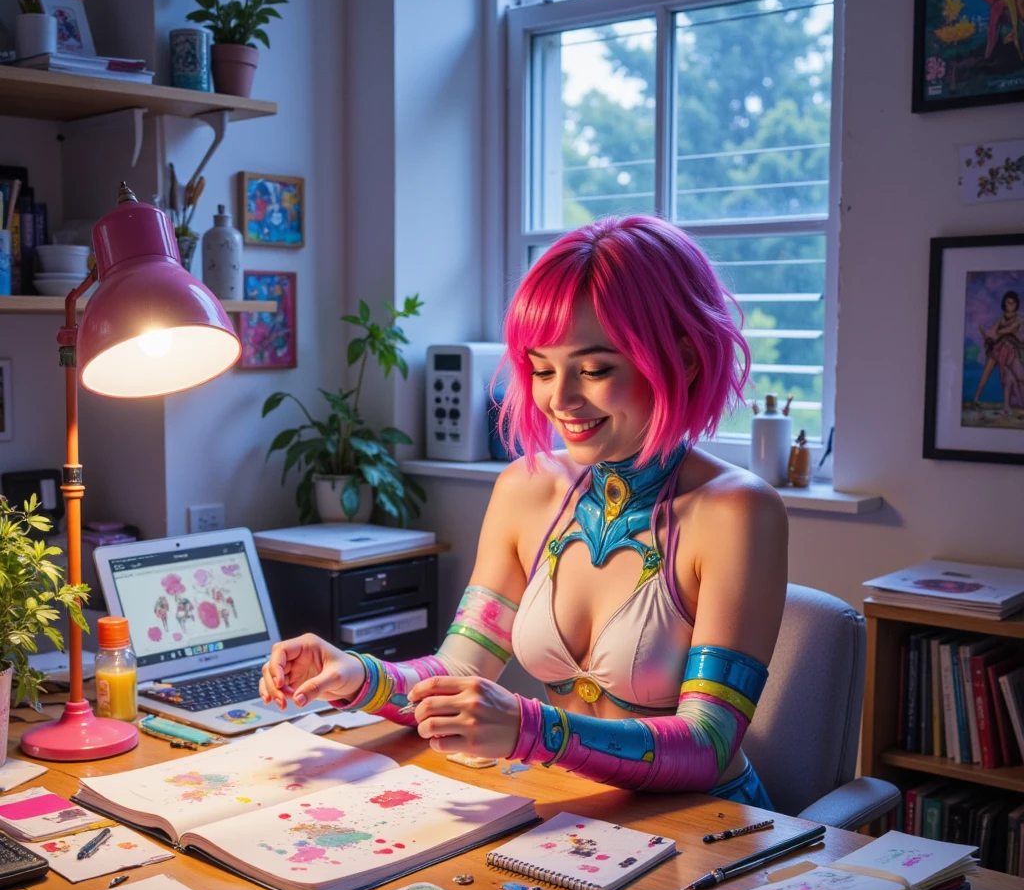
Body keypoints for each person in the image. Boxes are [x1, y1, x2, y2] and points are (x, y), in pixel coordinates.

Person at [260, 215, 788, 806]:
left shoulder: (739, 512)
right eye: (541, 369)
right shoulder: (525, 489)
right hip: (578, 812)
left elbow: (708, 745)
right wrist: (356, 677)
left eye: (593, 370)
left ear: (684, 359)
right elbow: (458, 669)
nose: (559, 399)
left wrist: (529, 729)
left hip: (715, 832)